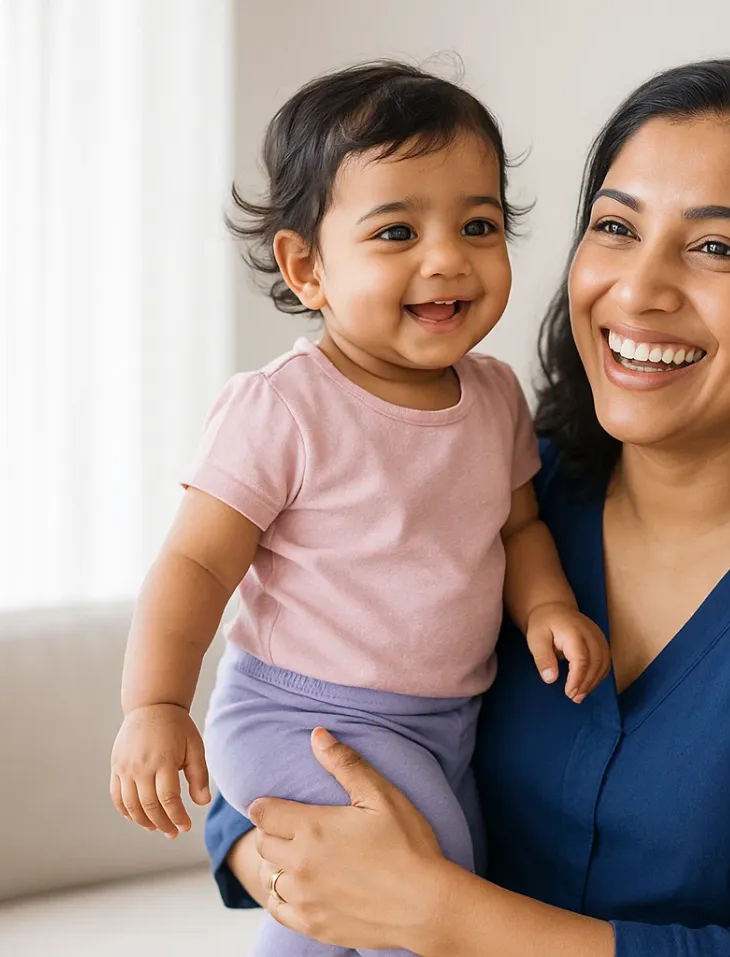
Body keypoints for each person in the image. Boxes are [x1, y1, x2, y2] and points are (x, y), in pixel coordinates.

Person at [203, 57, 730, 957]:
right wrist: (315, 876)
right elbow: (266, 761)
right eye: (615, 228)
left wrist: (434, 913)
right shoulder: (492, 491)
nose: (640, 290)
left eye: (716, 247)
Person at [108, 61, 610, 957]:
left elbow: (519, 527)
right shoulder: (285, 407)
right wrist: (154, 702)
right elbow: (193, 564)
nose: (447, 255)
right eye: (396, 230)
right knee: (427, 875)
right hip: (297, 714)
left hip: (441, 721)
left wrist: (546, 606)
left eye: (478, 223)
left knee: (356, 909)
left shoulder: (495, 397)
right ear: (308, 267)